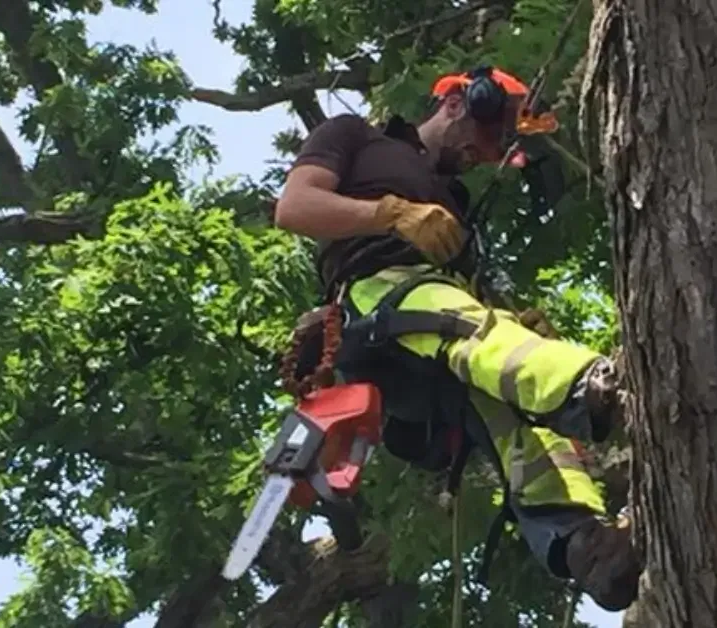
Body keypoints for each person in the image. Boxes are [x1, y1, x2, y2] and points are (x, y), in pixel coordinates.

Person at [272, 65, 641, 611]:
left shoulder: (455, 205)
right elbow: (295, 208)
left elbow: (476, 311)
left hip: (434, 345)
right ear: (457, 104)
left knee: (519, 424)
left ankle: (586, 546)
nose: (490, 152)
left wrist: (519, 326)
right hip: (375, 299)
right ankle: (583, 385)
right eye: (491, 133)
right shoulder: (354, 138)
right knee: (459, 322)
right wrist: (391, 214)